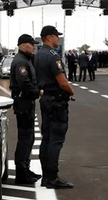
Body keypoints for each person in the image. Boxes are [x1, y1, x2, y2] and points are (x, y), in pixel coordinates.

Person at [35, 25, 74, 189]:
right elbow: (62, 82)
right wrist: (71, 91)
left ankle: (46, 176)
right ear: (49, 37)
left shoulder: (38, 55)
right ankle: (52, 177)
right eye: (56, 36)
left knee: (47, 138)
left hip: (45, 99)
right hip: (56, 101)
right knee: (56, 139)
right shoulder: (53, 56)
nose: (58, 38)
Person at [9, 34, 42, 184]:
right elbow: (24, 82)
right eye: (31, 44)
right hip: (23, 103)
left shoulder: (26, 59)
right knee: (25, 138)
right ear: (23, 45)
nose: (33, 47)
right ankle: (21, 173)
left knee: (29, 138)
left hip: (26, 102)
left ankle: (25, 169)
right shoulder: (21, 62)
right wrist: (37, 92)